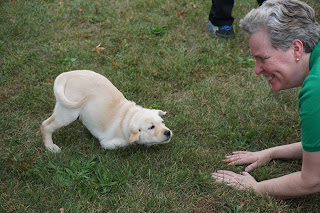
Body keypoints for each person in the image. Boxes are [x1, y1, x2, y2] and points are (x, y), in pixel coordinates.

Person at [212, 0, 320, 199]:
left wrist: (254, 188)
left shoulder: (316, 90)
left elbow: (313, 180)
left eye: (263, 59)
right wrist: (270, 153)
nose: (257, 70)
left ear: (297, 49)